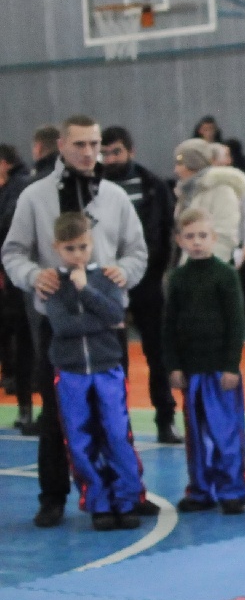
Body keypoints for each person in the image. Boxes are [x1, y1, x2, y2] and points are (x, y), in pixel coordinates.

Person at [2, 114, 148, 529]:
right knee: (56, 415)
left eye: (94, 144)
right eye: (80, 144)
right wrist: (34, 276)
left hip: (107, 324)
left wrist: (124, 272)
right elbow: (13, 252)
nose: (88, 152)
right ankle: (52, 497)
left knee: (114, 415)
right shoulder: (34, 196)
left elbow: (137, 251)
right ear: (62, 146)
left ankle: (125, 494)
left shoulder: (115, 196)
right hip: (59, 325)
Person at [43, 212, 145, 532]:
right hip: (71, 373)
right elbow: (63, 326)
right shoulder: (52, 284)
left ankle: (126, 500)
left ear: (92, 243)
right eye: (70, 248)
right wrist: (101, 320)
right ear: (57, 247)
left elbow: (116, 314)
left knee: (117, 434)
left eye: (83, 247)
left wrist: (86, 290)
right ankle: (99, 503)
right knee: (79, 439)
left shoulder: (106, 277)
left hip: (107, 369)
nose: (77, 254)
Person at [162, 209, 245, 515]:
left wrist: (231, 365)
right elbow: (169, 325)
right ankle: (201, 490)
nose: (196, 242)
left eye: (202, 236)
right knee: (196, 437)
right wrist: (173, 365)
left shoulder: (225, 275)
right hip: (192, 371)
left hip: (220, 371)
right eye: (190, 236)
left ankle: (232, 490)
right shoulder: (177, 278)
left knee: (226, 432)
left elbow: (236, 323)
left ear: (214, 238)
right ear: (179, 240)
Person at [100, 126, 182, 444]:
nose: (110, 159)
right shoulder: (93, 186)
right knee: (113, 356)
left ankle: (165, 419)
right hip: (107, 282)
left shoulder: (153, 186)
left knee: (157, 352)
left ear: (131, 151)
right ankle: (116, 423)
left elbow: (167, 228)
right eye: (105, 153)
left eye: (116, 152)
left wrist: (159, 271)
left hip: (147, 279)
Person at [0, 143, 35, 434]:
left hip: (18, 278)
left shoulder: (18, 189)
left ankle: (26, 405)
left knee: (23, 338)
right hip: (14, 276)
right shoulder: (15, 188)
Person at [172, 139, 245, 265]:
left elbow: (224, 237)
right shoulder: (187, 193)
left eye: (180, 164)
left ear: (193, 164)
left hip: (210, 269)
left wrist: (206, 269)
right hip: (188, 267)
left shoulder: (222, 190)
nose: (176, 170)